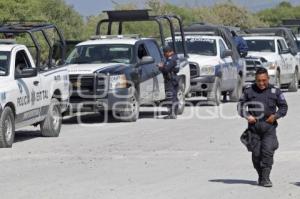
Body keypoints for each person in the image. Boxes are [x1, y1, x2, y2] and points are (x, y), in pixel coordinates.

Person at [237, 68, 288, 187]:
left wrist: (276, 116)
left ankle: (266, 178)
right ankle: (260, 175)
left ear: (268, 79)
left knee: (267, 152)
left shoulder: (275, 91)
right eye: (259, 80)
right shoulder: (249, 91)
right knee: (256, 155)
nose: (261, 83)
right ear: (255, 80)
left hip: (269, 127)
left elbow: (283, 107)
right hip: (254, 128)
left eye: (264, 80)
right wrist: (247, 115)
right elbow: (240, 106)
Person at [158, 46, 179, 119]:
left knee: (170, 96)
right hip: (174, 78)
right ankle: (174, 112)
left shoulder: (171, 59)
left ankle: (172, 113)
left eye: (164, 53)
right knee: (174, 96)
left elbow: (166, 69)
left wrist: (160, 67)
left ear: (169, 52)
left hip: (170, 79)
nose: (164, 54)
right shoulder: (176, 57)